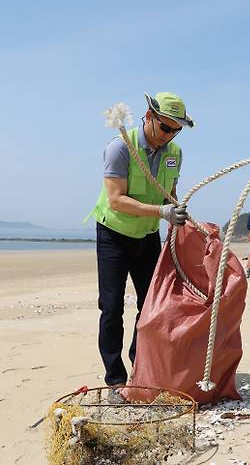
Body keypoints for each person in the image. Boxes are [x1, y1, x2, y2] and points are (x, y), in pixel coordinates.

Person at [89, 92, 192, 402]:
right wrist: (161, 212)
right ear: (149, 116)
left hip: (148, 237)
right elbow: (116, 199)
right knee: (111, 307)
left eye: (176, 130)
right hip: (114, 235)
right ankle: (115, 379)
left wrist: (176, 210)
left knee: (150, 307)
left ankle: (141, 366)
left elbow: (169, 192)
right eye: (165, 127)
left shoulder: (174, 152)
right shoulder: (120, 147)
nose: (169, 135)